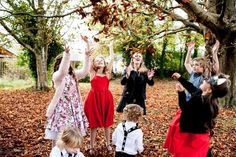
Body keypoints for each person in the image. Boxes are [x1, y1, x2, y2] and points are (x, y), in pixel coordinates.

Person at [164, 72, 230, 157]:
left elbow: (184, 108)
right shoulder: (203, 94)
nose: (205, 79)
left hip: (193, 136)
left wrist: (181, 93)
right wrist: (181, 78)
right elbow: (191, 88)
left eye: (208, 81)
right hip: (197, 133)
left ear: (209, 90)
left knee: (190, 153)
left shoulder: (201, 102)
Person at [45, 36, 93, 144]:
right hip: (62, 109)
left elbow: (85, 71)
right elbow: (63, 70)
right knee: (60, 135)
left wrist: (87, 54)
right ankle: (56, 154)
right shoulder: (57, 76)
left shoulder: (73, 75)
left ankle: (70, 153)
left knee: (72, 136)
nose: (67, 64)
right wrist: (66, 55)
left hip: (74, 109)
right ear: (58, 64)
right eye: (64, 62)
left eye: (68, 62)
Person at [83, 42, 115, 155]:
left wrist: (110, 47)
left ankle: (108, 143)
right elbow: (89, 58)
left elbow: (111, 59)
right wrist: (88, 43)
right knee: (94, 124)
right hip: (94, 100)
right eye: (98, 60)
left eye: (102, 60)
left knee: (107, 124)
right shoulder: (93, 73)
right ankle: (91, 146)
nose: (100, 61)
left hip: (106, 99)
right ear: (95, 64)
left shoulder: (107, 73)